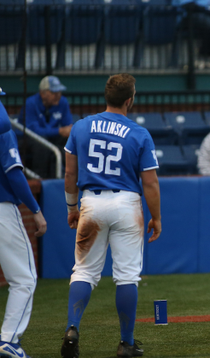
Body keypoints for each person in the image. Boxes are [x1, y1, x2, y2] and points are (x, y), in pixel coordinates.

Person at [60, 74, 162, 358]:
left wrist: (71, 208)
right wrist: (157, 217)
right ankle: (126, 343)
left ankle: (72, 328)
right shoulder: (139, 133)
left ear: (106, 96)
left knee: (83, 272)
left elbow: (69, 173)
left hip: (91, 201)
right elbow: (150, 183)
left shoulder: (80, 127)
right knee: (127, 276)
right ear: (130, 99)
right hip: (127, 203)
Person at [0, 87, 47, 358]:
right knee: (24, 279)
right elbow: (15, 174)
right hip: (2, 208)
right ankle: (9, 339)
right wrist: (36, 209)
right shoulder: (4, 131)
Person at [19, 75, 73, 178]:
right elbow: (33, 131)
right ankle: (40, 179)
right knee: (41, 144)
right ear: (43, 94)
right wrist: (59, 131)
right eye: (54, 92)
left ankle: (70, 176)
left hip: (52, 137)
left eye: (59, 91)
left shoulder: (63, 102)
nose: (58, 95)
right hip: (29, 139)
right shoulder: (31, 103)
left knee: (71, 140)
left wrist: (67, 131)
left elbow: (68, 125)